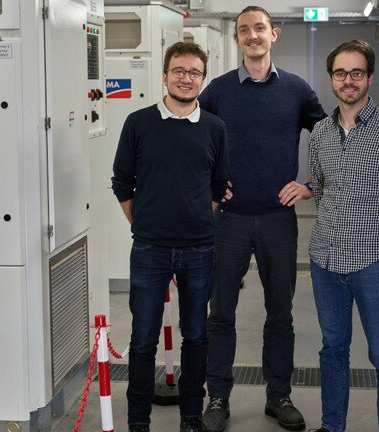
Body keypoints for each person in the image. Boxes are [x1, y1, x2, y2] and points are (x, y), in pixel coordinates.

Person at [197, 6, 326, 432]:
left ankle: (279, 396)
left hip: (277, 220)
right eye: (244, 30)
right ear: (236, 39)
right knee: (220, 313)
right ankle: (217, 397)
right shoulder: (217, 92)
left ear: (274, 34)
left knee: (280, 314)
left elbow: (329, 137)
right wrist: (210, 186)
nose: (252, 36)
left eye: (259, 28)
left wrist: (310, 185)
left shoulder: (296, 89)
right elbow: (192, 139)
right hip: (230, 221)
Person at [306, 40, 379, 432]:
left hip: (374, 264)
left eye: (357, 73)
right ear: (331, 79)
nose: (349, 80)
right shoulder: (320, 132)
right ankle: (332, 426)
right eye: (341, 73)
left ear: (370, 78)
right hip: (325, 261)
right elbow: (320, 187)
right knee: (332, 350)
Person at [111, 41, 231, 432]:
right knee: (143, 339)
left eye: (194, 72)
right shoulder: (138, 123)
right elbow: (122, 181)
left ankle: (191, 417)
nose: (186, 78)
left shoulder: (214, 128)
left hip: (199, 248)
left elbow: (219, 186)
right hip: (150, 248)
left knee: (196, 336)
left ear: (203, 79)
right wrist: (143, 221)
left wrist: (195, 217)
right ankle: (138, 421)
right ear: (164, 76)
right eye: (179, 70)